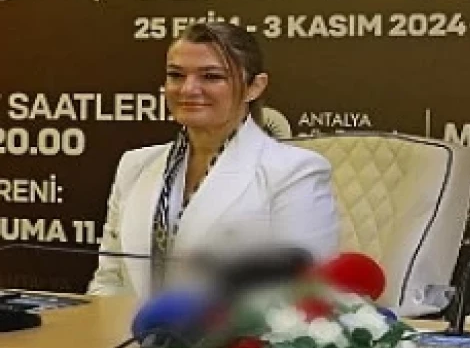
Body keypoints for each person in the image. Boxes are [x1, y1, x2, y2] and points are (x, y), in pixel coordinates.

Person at [87, 21, 340, 297]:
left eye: (211, 76)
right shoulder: (135, 165)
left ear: (255, 87)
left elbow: (300, 294)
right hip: (131, 326)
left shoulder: (296, 171)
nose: (188, 89)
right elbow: (108, 281)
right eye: (176, 75)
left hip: (241, 326)